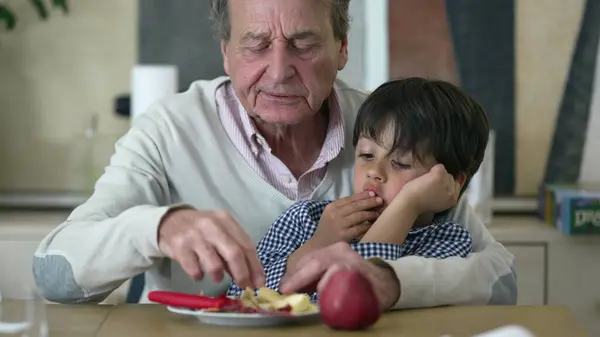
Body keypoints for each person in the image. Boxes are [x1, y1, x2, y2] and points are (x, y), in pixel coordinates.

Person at [32, 0, 516, 310]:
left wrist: (390, 282)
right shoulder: (169, 129)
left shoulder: (389, 130)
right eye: (255, 44)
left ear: (343, 47)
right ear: (225, 52)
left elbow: (501, 281)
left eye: (304, 44)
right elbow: (55, 274)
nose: (279, 70)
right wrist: (156, 226)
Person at [227, 77, 486, 301]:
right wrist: (321, 241)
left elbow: (361, 286)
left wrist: (407, 204)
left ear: (451, 182)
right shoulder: (306, 219)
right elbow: (241, 296)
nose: (374, 171)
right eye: (366, 155)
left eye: (400, 163)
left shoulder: (447, 243)